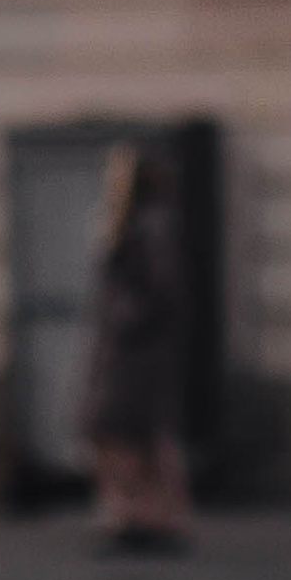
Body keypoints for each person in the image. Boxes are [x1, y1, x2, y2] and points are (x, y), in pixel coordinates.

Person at [82, 142, 193, 553]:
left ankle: (149, 516)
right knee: (124, 433)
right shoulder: (136, 221)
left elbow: (161, 290)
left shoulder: (151, 222)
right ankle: (139, 516)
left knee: (132, 435)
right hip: (131, 349)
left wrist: (129, 318)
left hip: (138, 352)